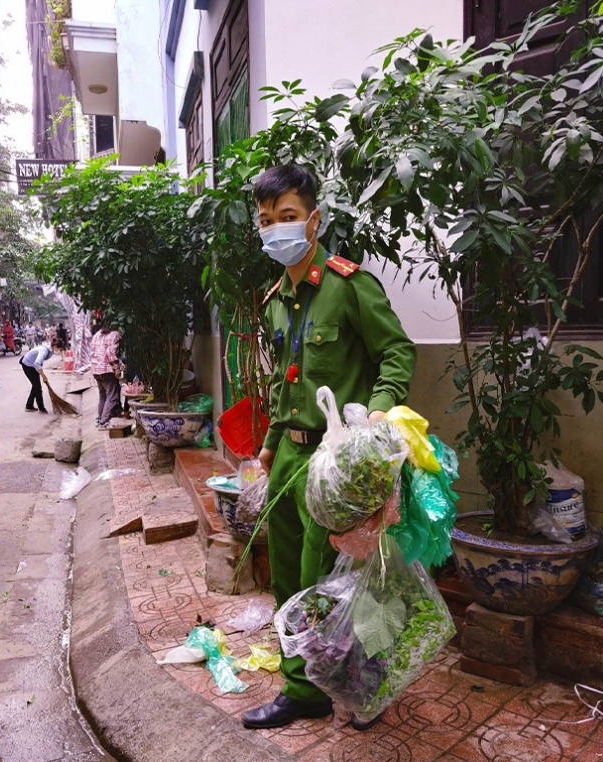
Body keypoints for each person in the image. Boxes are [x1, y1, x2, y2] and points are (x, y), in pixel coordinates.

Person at [241, 164, 415, 731]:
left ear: (314, 219)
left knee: (339, 579)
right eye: (267, 222)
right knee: (288, 575)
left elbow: (397, 352)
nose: (276, 230)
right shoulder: (274, 299)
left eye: (287, 218)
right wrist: (269, 446)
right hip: (291, 459)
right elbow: (284, 383)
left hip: (339, 462)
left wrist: (382, 412)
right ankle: (304, 690)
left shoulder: (349, 284)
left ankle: (368, 683)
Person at [90, 321, 122, 429]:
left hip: (95, 369)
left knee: (103, 395)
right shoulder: (114, 335)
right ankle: (104, 421)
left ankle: (99, 419)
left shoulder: (96, 335)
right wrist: (116, 366)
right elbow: (110, 353)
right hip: (106, 370)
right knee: (112, 396)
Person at [20, 338, 57, 413]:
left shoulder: (49, 350)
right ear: (55, 347)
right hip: (27, 365)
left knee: (35, 386)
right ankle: (41, 408)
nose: (59, 351)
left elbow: (38, 362)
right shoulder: (45, 350)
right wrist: (44, 376)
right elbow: (37, 363)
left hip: (32, 365)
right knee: (38, 387)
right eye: (59, 349)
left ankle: (29, 406)